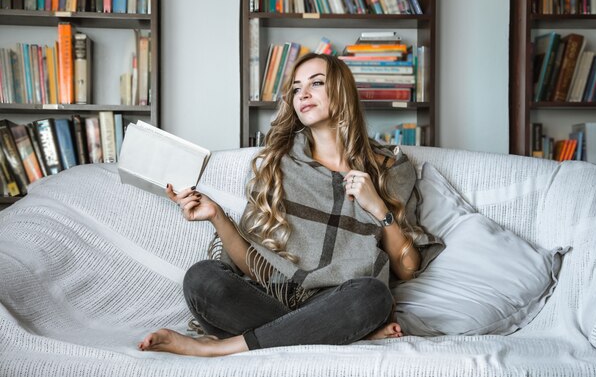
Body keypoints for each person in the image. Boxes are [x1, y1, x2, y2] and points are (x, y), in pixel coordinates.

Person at [138, 53, 442, 357]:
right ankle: (344, 334)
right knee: (202, 279)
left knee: (373, 296)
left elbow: (407, 268)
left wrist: (378, 209)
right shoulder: (277, 164)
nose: (303, 95)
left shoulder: (389, 168)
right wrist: (216, 215)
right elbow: (258, 271)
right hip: (274, 301)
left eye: (317, 83)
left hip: (339, 300)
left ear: (343, 90)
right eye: (296, 89)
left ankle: (220, 348)